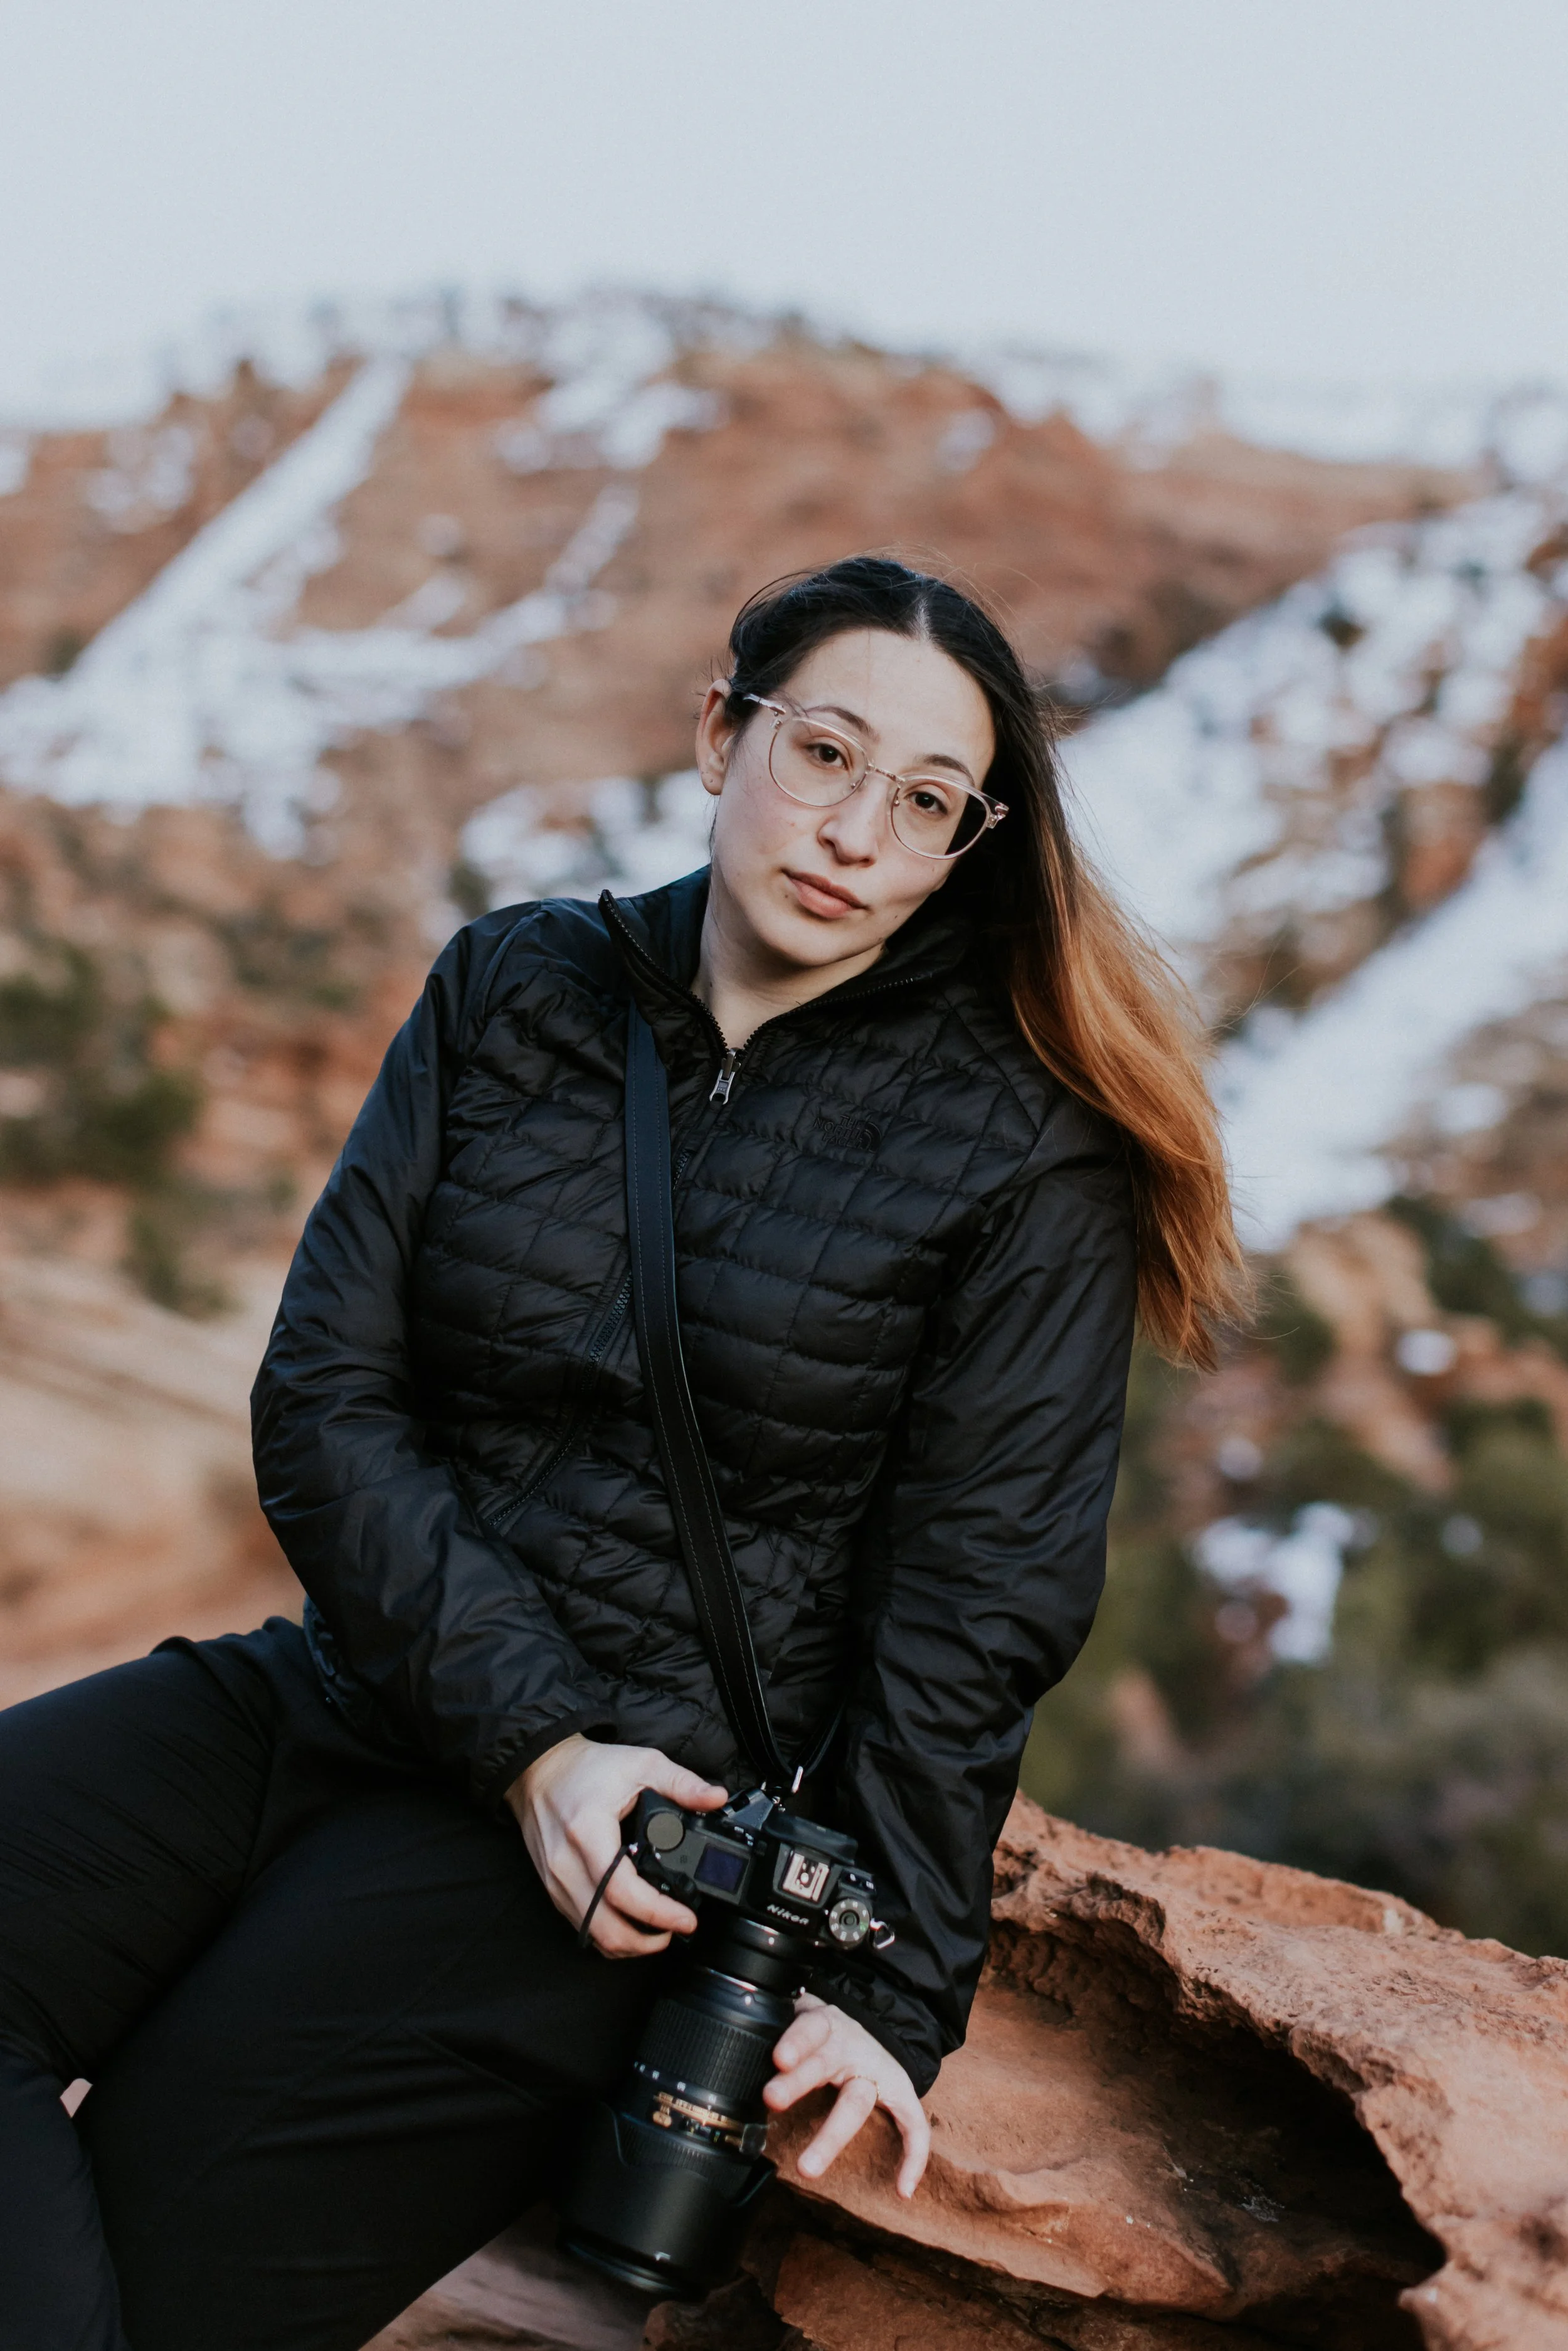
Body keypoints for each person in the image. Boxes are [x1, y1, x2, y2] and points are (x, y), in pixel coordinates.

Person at [0, 556, 1242, 2350]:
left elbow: (978, 1596)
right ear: (719, 732)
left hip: (623, 1851)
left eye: (921, 803)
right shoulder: (517, 982)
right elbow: (328, 1394)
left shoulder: (1020, 1152)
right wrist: (529, 1738)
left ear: (963, 847)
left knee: (161, 2240)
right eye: (822, 753)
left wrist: (891, 1992)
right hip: (359, 1699)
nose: (854, 831)